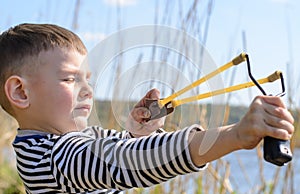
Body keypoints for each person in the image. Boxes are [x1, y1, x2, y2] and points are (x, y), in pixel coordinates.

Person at [0, 23, 294, 194]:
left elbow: (119, 154)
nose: (87, 89)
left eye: (87, 79)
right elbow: (125, 162)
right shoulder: (51, 157)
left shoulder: (78, 141)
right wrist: (235, 134)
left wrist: (137, 135)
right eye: (69, 79)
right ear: (20, 92)